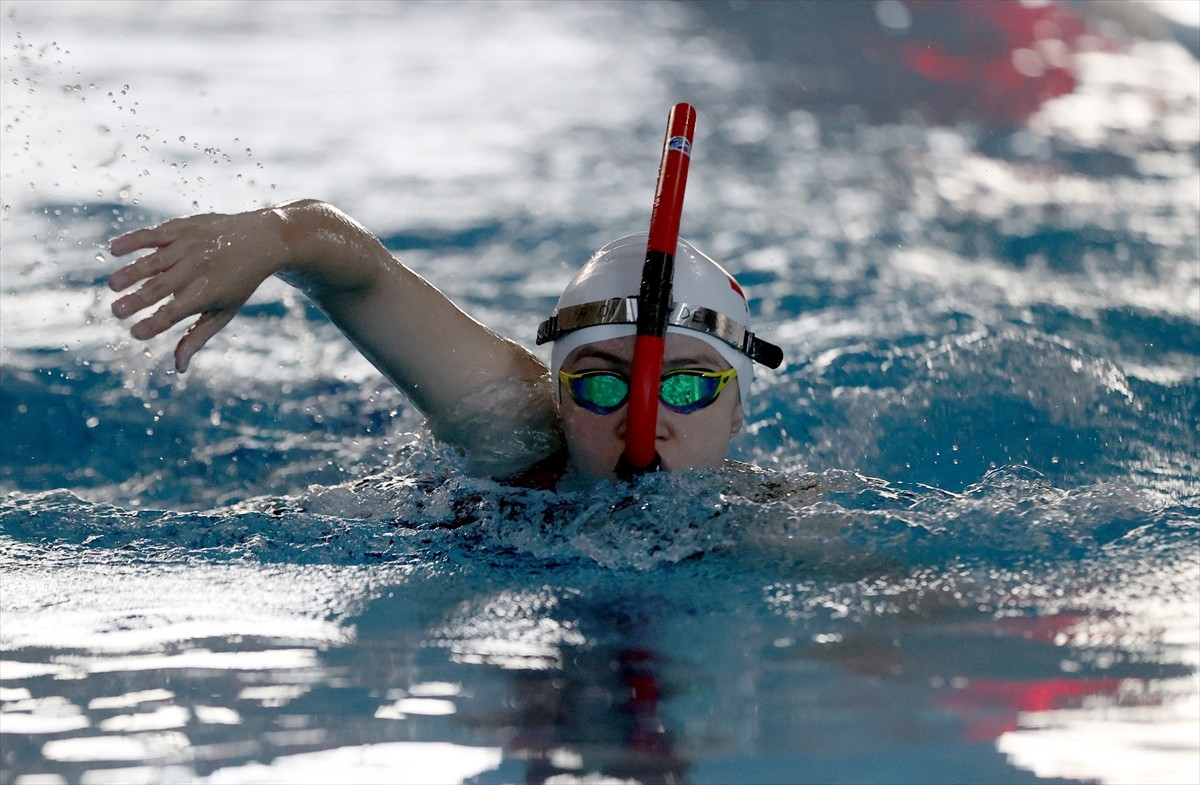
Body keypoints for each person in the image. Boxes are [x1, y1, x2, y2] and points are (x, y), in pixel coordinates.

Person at [107, 199, 781, 488]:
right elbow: (365, 277)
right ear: (558, 399)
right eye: (602, 385)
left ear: (738, 411)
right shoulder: (516, 427)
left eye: (685, 386)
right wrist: (277, 235)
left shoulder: (779, 523)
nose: (644, 423)